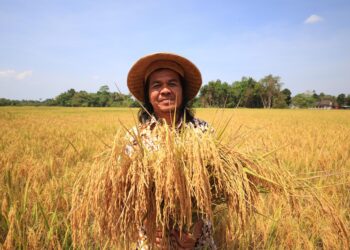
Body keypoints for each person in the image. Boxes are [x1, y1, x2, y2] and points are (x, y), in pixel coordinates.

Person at [126, 52, 216, 249]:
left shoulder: (203, 132)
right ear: (148, 95)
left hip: (197, 240)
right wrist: (151, 224)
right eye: (156, 85)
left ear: (182, 91)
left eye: (172, 83)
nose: (165, 90)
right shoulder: (135, 138)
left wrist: (196, 228)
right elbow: (124, 193)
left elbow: (217, 189)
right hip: (152, 239)